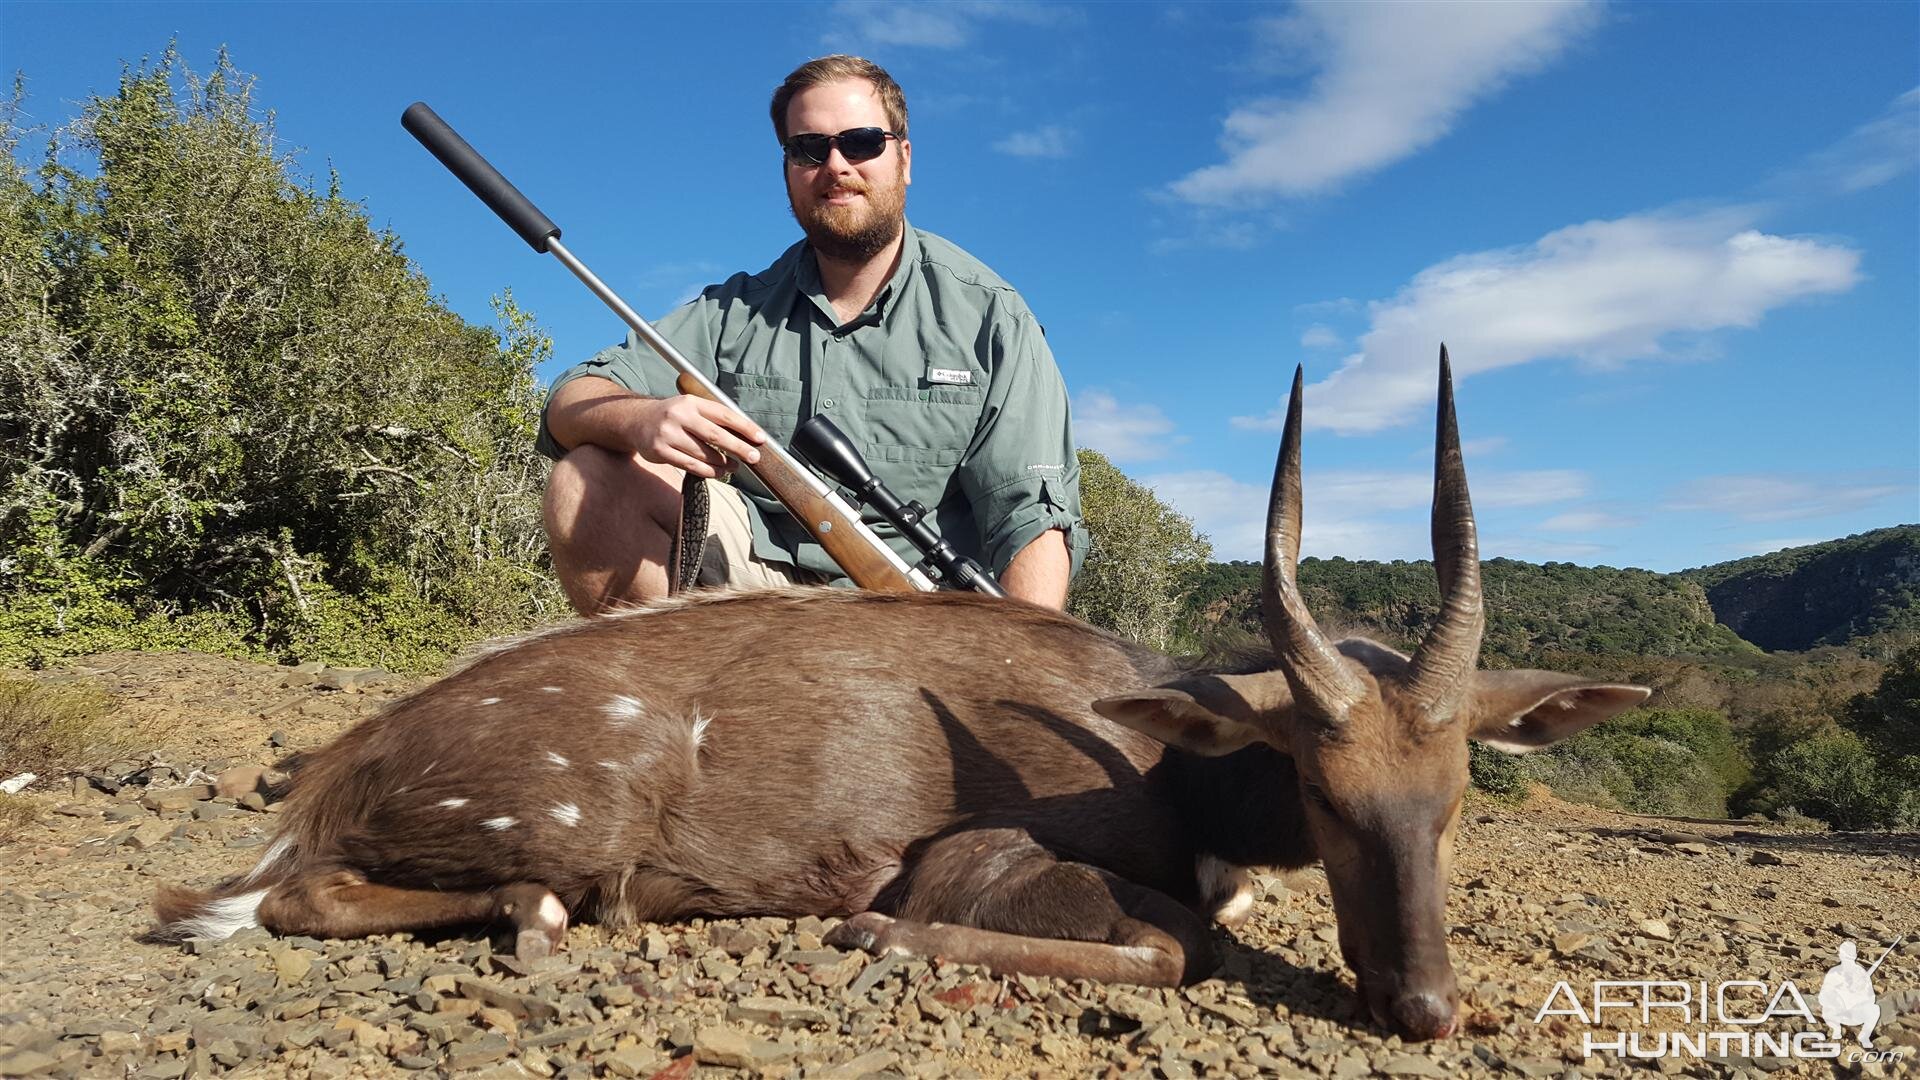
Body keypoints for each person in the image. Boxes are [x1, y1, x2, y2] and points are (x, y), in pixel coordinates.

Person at [537, 55, 1087, 616]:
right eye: (809, 148)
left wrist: (1011, 675)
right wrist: (640, 418)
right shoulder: (732, 311)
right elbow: (573, 398)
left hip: (922, 618)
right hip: (752, 599)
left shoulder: (993, 316)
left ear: (904, 158)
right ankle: (677, 699)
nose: (836, 165)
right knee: (587, 478)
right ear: (788, 169)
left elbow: (1033, 520)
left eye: (862, 142)